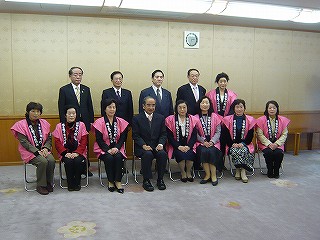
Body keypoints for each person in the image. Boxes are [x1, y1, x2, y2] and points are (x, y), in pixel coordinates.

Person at [11, 102, 55, 195]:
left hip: (43, 149)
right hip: (29, 151)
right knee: (42, 161)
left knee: (51, 160)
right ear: (28, 112)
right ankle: (40, 185)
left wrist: (46, 148)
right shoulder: (20, 125)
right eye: (33, 111)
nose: (35, 113)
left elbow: (49, 138)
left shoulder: (45, 123)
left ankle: (48, 182)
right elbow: (24, 142)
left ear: (40, 113)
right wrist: (36, 152)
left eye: (38, 111)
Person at [58, 66, 94, 176]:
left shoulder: (86, 89)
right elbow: (61, 107)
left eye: (80, 74)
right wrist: (63, 123)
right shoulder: (64, 89)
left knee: (85, 145)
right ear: (70, 76)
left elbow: (89, 106)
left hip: (85, 122)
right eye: (75, 74)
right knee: (72, 144)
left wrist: (91, 121)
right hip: (70, 123)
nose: (78, 77)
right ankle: (72, 166)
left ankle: (85, 168)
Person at [93, 99, 129, 194]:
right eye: (109, 107)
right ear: (105, 109)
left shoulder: (121, 122)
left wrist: (117, 148)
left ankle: (117, 181)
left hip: (118, 147)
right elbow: (99, 140)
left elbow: (122, 138)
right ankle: (110, 181)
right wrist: (107, 149)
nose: (112, 109)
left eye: (114, 107)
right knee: (109, 158)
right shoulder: (99, 122)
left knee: (118, 157)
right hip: (103, 148)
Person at [132, 96, 168, 192]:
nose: (151, 107)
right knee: (147, 154)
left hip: (156, 146)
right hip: (142, 147)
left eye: (153, 105)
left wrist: (161, 144)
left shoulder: (160, 118)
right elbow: (135, 135)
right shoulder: (137, 118)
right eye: (148, 105)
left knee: (163, 154)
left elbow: (163, 134)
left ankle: (160, 179)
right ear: (143, 106)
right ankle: (146, 180)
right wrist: (143, 145)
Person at [52, 106, 88, 191]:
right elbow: (57, 142)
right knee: (68, 161)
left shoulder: (82, 125)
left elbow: (84, 141)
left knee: (77, 160)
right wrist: (65, 153)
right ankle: (70, 183)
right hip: (65, 152)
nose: (71, 115)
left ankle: (77, 182)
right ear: (65, 115)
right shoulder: (59, 126)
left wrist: (77, 152)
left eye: (73, 113)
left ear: (76, 115)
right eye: (69, 113)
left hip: (79, 152)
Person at [222, 99, 256, 183]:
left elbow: (250, 135)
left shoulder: (250, 119)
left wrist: (243, 143)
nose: (239, 109)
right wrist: (232, 144)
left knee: (243, 150)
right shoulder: (227, 119)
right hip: (232, 144)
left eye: (241, 107)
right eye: (237, 107)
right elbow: (225, 135)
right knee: (234, 150)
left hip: (245, 144)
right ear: (233, 108)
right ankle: (237, 169)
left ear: (244, 108)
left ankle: (243, 171)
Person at [165, 100, 199, 182]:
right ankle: (183, 172)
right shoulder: (170, 119)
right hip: (176, 145)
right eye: (180, 108)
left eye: (184, 107)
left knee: (190, 154)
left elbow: (194, 136)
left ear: (187, 108)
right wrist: (178, 146)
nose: (182, 110)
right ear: (176, 109)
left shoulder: (193, 119)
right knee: (181, 155)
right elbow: (169, 137)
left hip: (189, 145)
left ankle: (188, 172)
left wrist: (188, 146)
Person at [206, 72, 237, 158]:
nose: (223, 83)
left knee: (223, 140)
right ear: (217, 82)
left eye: (225, 81)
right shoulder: (210, 94)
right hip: (214, 120)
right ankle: (213, 160)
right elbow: (209, 107)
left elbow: (233, 108)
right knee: (214, 139)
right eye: (221, 81)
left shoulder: (232, 94)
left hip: (227, 121)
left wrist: (226, 118)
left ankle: (221, 161)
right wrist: (215, 118)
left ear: (227, 82)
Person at [256, 100, 290, 178]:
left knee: (278, 153)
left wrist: (277, 144)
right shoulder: (261, 120)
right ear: (266, 109)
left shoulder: (283, 120)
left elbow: (284, 134)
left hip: (278, 143)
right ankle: (270, 169)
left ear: (277, 109)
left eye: (274, 108)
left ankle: (276, 170)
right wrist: (269, 144)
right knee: (269, 153)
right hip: (265, 144)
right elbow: (260, 134)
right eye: (270, 108)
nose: (272, 110)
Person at [195, 96, 223, 186]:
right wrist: (203, 141)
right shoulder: (195, 118)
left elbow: (218, 131)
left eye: (207, 103)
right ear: (199, 104)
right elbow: (195, 133)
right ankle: (207, 175)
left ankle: (214, 175)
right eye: (202, 102)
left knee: (212, 151)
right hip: (201, 143)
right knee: (204, 151)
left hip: (214, 142)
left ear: (210, 105)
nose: (205, 105)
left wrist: (212, 142)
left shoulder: (215, 116)